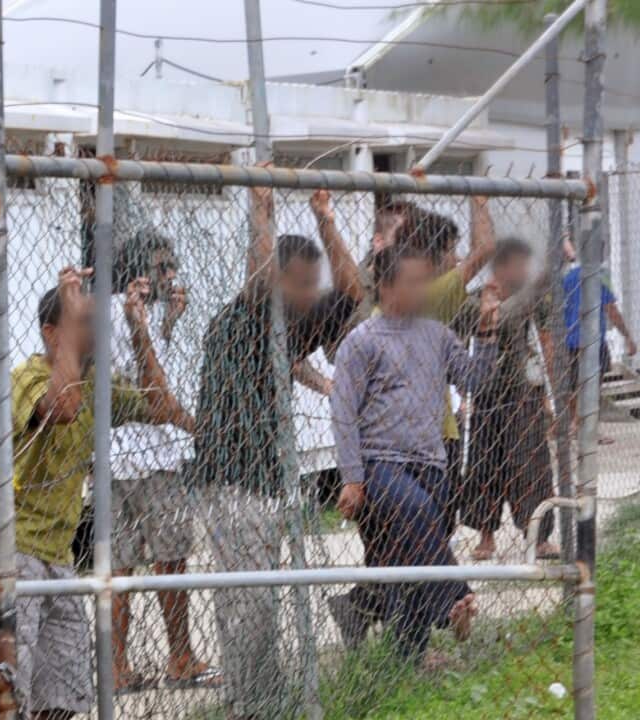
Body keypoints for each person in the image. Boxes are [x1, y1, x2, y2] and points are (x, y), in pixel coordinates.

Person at [0, 266, 193, 720]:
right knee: (8, 698)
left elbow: (162, 405)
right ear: (54, 335)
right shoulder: (27, 377)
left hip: (57, 555)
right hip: (8, 550)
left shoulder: (97, 383)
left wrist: (137, 330)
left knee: (64, 696)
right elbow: (63, 408)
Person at [191, 187, 362, 720]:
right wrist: (261, 206)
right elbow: (259, 274)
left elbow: (354, 292)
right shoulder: (250, 316)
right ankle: (250, 704)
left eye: (314, 284)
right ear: (280, 278)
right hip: (231, 477)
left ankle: (258, 698)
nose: (314, 293)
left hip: (265, 477)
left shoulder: (289, 326)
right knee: (248, 602)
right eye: (303, 283)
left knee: (257, 597)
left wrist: (325, 220)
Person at [328, 197, 496, 647]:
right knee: (417, 513)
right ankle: (456, 597)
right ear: (386, 286)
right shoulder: (362, 341)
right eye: (414, 282)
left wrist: (488, 333)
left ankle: (409, 654)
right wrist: (351, 477)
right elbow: (342, 411)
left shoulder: (437, 334)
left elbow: (475, 380)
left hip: (432, 461)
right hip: (382, 463)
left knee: (411, 553)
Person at [106, 228, 211, 691]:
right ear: (139, 272)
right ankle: (180, 657)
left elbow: (146, 369)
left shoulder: (129, 312)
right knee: (171, 561)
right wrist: (198, 427)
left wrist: (168, 324)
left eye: (172, 267)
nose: (171, 275)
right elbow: (155, 395)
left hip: (116, 459)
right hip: (150, 457)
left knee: (119, 566)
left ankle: (116, 666)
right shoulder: (124, 314)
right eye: (162, 267)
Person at [453, 239, 558, 561]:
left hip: (521, 392)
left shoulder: (530, 297)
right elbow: (456, 342)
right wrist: (461, 392)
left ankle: (537, 537)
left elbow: (545, 340)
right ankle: (486, 537)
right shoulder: (473, 300)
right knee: (483, 468)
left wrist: (551, 394)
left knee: (531, 465)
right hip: (485, 395)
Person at [562, 238, 638, 442]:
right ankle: (587, 431)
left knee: (574, 386)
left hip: (571, 339)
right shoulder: (601, 276)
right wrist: (628, 337)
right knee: (592, 387)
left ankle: (575, 425)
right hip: (593, 340)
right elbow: (611, 310)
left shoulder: (568, 277)